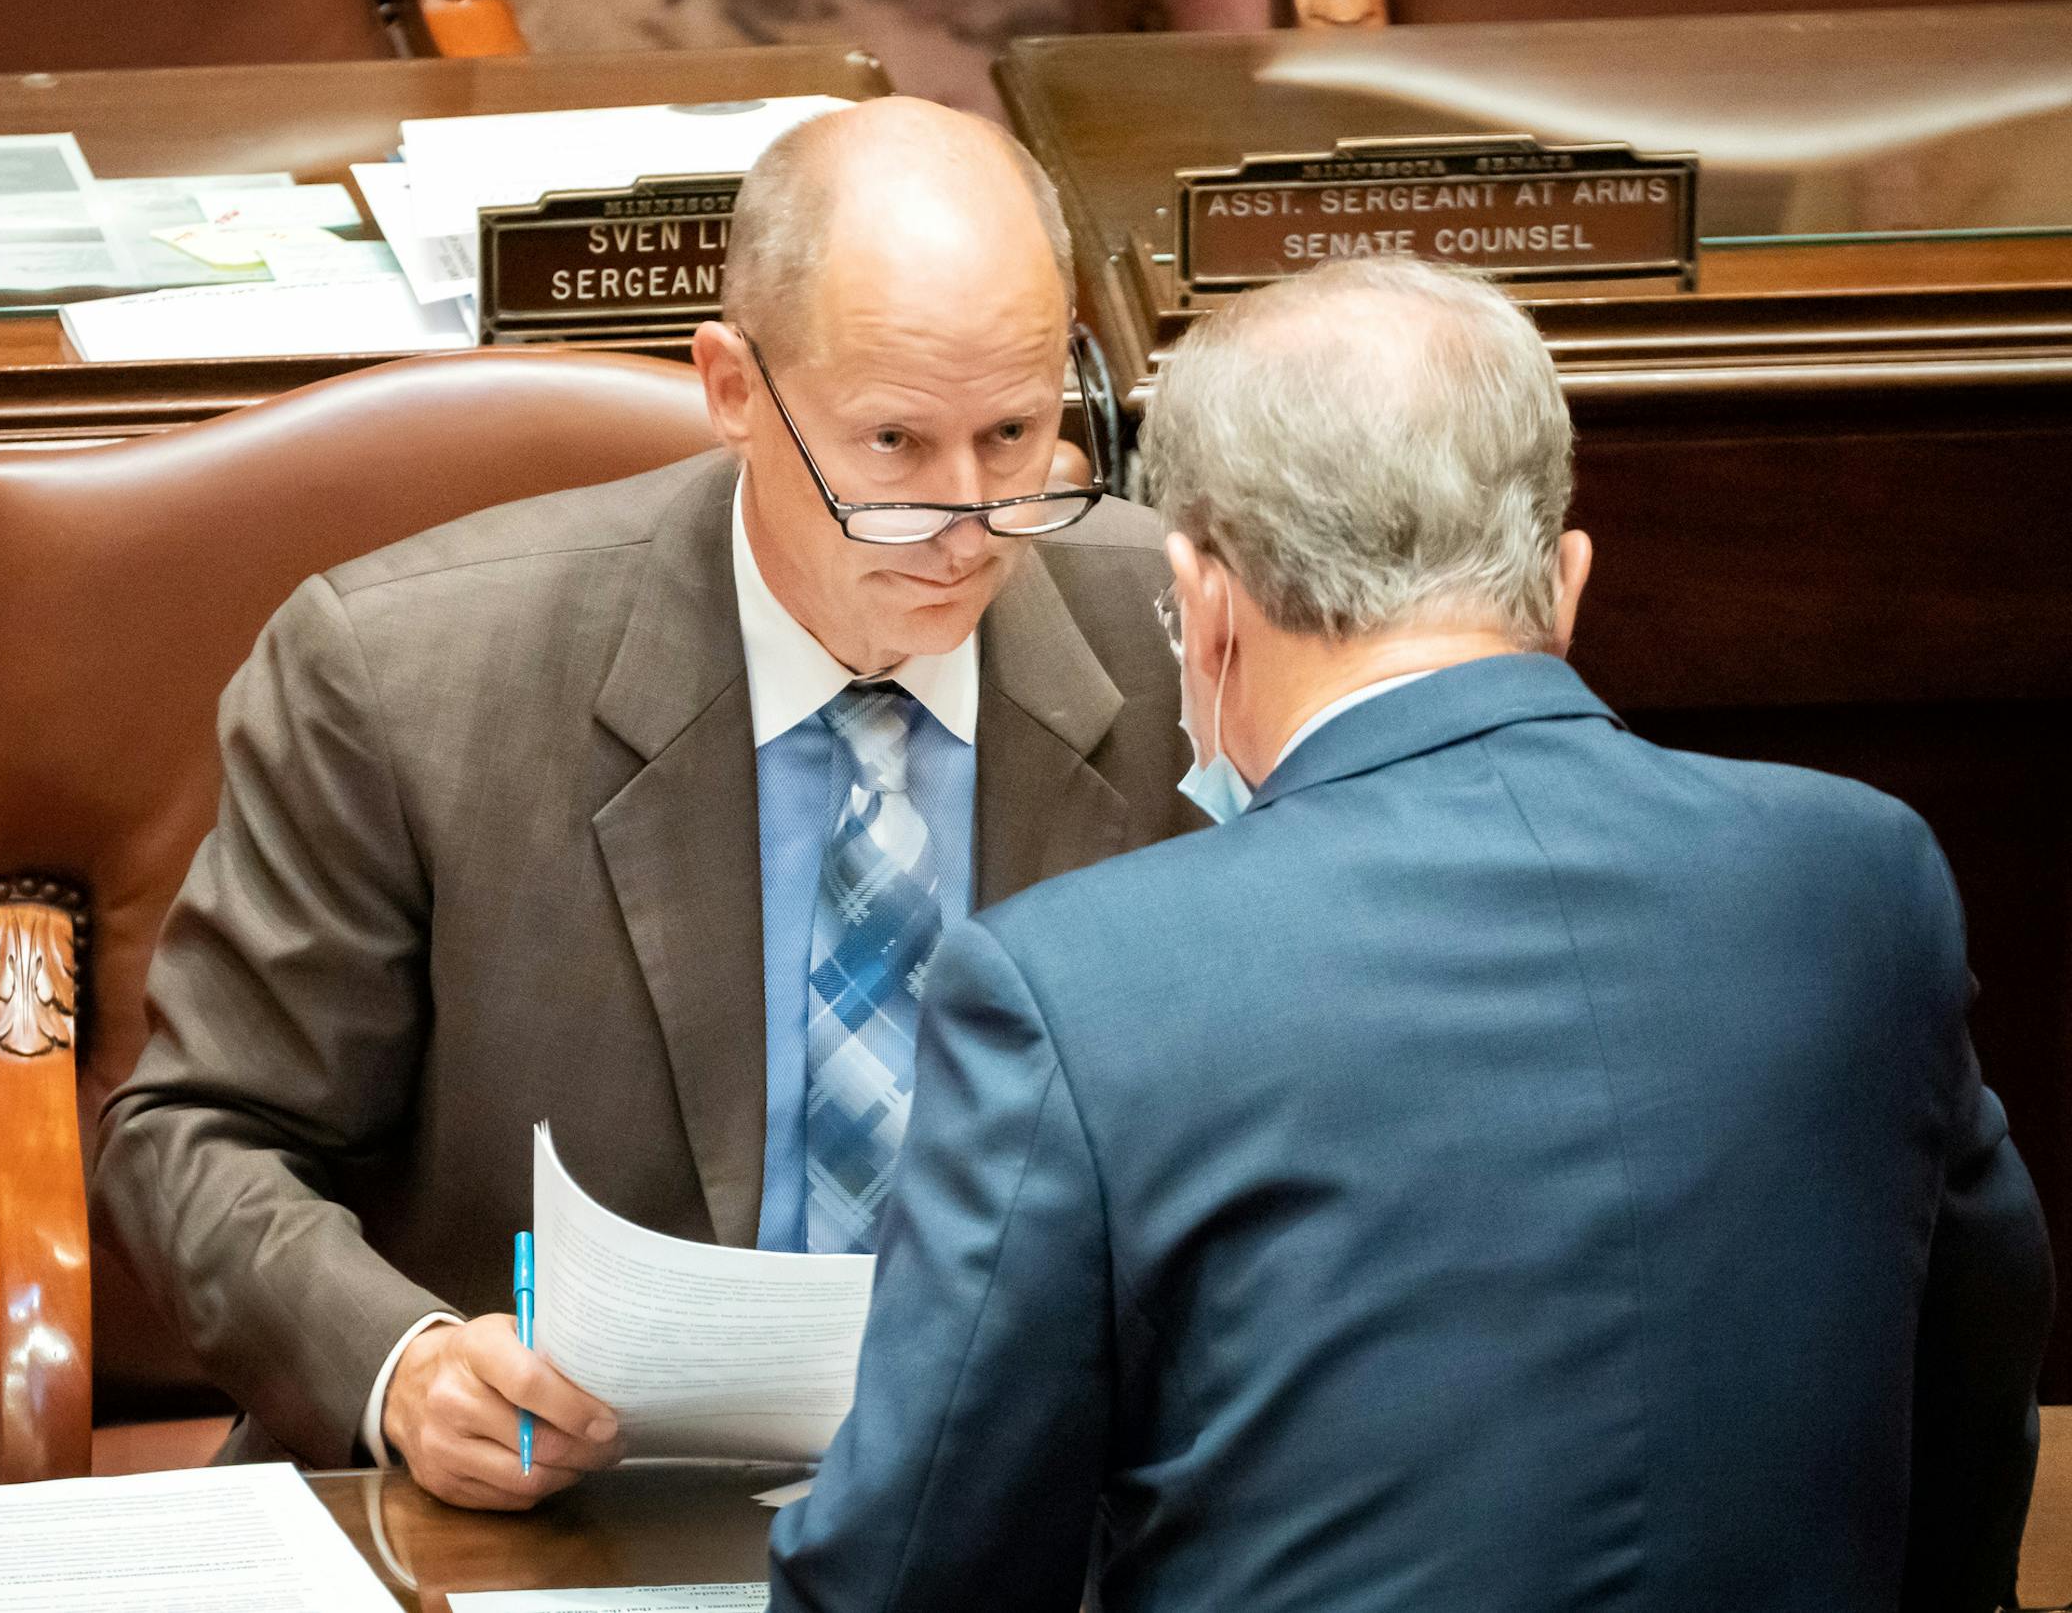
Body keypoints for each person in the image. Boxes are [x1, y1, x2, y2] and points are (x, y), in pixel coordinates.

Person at [766, 256, 2054, 1612]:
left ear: (1201, 604)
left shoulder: (1072, 989)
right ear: (1564, 583)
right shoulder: (1861, 877)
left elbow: (908, 1580)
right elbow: (1980, 1360)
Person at [91, 97, 1196, 1511]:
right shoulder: (400, 683)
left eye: (1015, 433)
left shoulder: (1188, 643)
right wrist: (409, 1366)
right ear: (732, 387)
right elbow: (194, 1135)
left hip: (1045, 1513)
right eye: (893, 448)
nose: (964, 523)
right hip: (564, 1507)